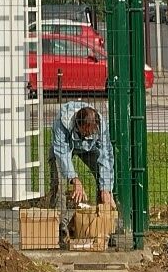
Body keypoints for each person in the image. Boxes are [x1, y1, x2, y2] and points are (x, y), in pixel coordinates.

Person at [49, 101, 119, 246]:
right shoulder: (61, 123)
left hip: (91, 149)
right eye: (86, 132)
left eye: (91, 132)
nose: (88, 135)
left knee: (103, 181)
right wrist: (75, 179)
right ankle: (60, 228)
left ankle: (103, 227)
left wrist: (106, 188)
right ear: (77, 125)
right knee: (59, 181)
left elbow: (106, 155)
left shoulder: (101, 125)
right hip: (64, 149)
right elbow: (62, 154)